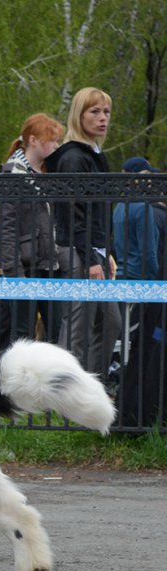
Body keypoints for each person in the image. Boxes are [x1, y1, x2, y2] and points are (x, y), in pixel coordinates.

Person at [44, 87, 121, 377]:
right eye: (94, 111)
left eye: (106, 112)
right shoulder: (73, 157)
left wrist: (107, 251)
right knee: (78, 326)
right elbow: (72, 214)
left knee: (111, 323)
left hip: (95, 250)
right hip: (79, 250)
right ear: (79, 114)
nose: (103, 118)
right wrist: (90, 257)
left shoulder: (94, 154)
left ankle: (89, 388)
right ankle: (61, 394)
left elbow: (100, 211)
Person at [0, 113, 64, 349]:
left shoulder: (45, 173)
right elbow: (5, 226)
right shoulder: (14, 173)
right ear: (33, 140)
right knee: (21, 338)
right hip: (25, 267)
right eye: (52, 140)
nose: (57, 146)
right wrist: (14, 272)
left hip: (49, 264)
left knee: (57, 334)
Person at [113, 156, 166, 427]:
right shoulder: (145, 208)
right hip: (145, 281)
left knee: (126, 338)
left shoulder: (119, 207)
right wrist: (157, 280)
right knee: (140, 341)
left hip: (121, 276)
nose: (152, 181)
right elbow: (149, 253)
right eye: (147, 175)